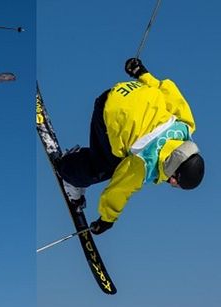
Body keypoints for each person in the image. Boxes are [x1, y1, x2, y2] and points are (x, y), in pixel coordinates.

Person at [59, 58, 204, 234]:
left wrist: (142, 73)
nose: (171, 183)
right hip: (109, 110)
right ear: (175, 172)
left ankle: (80, 160)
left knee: (118, 156)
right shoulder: (143, 164)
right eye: (175, 182)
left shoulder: (186, 125)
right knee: (107, 167)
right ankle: (69, 170)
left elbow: (168, 90)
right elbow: (119, 189)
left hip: (126, 92)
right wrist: (106, 220)